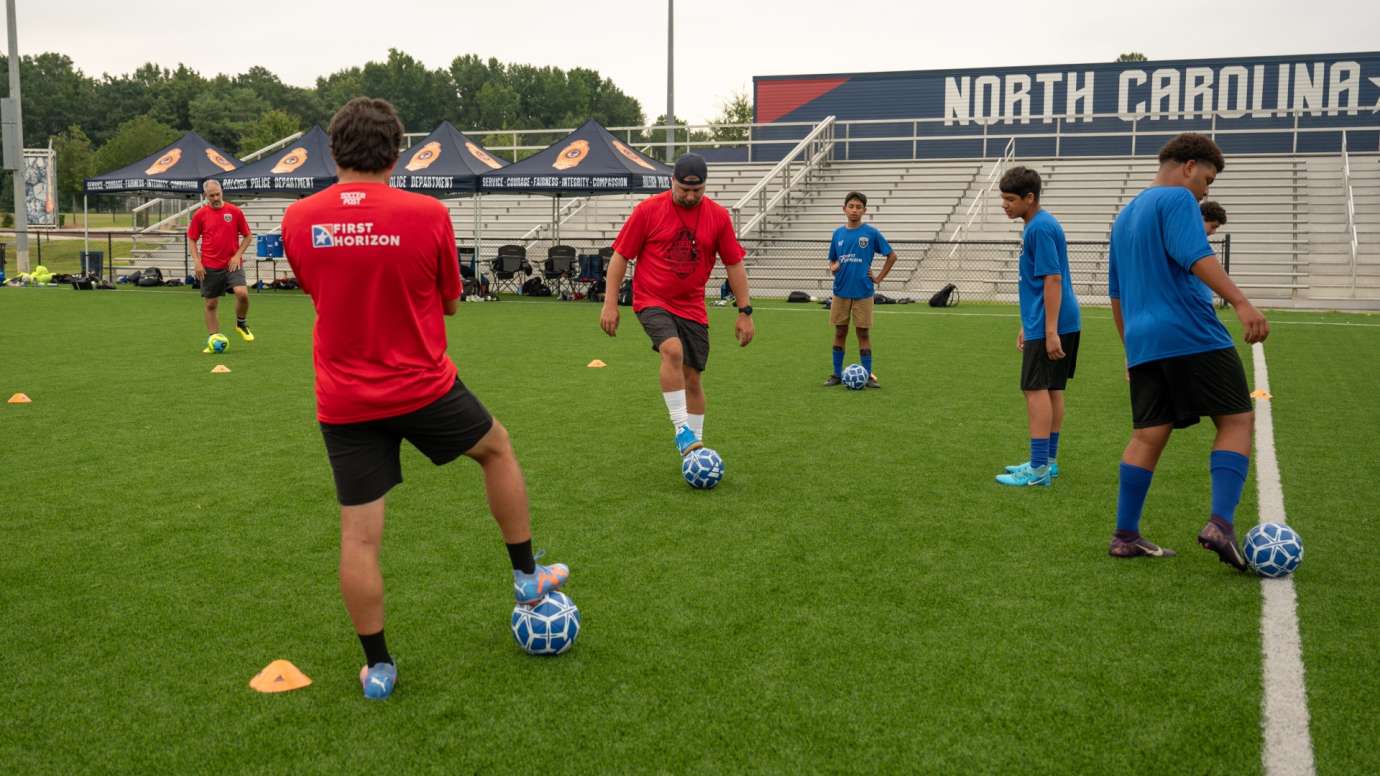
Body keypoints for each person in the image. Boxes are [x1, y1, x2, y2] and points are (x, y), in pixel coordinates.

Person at [280, 97, 568, 701]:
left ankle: (379, 669)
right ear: (397, 152)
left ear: (334, 150)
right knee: (497, 449)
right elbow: (451, 302)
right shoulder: (427, 213)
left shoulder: (298, 218)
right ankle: (525, 576)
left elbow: (314, 290)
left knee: (359, 537)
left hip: (345, 399)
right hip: (423, 386)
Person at [1106, 133, 1269, 566]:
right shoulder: (1178, 199)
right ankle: (1220, 522)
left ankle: (1125, 535)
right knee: (1237, 419)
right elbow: (1197, 256)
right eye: (1208, 179)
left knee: (1147, 434)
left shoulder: (1124, 217)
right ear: (1189, 166)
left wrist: (1130, 350)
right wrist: (1241, 301)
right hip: (1191, 332)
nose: (1205, 190)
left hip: (1143, 341)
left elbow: (1116, 295)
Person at [600, 154, 754, 457]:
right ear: (672, 181)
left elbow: (734, 264)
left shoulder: (719, 217)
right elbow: (620, 256)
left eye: (697, 190)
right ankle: (681, 429)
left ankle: (694, 449)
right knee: (672, 350)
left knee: (693, 378)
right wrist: (610, 303)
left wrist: (745, 312)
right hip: (651, 299)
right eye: (684, 189)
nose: (690, 196)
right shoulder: (648, 211)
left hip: (692, 306)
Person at [994, 167, 1081, 487]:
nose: (1004, 205)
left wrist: (1048, 331)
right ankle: (1048, 462)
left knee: (1035, 390)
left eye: (1010, 199)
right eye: (1002, 198)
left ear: (1030, 198)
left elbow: (1053, 279)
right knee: (1053, 389)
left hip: (1052, 322)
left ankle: (1039, 467)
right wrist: (1027, 323)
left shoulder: (1039, 228)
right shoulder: (1039, 224)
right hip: (1054, 320)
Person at [824, 192, 897, 388]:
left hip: (864, 292)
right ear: (844, 209)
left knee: (863, 334)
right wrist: (833, 267)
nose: (855, 210)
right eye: (851, 206)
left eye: (859, 207)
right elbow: (832, 259)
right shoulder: (837, 234)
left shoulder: (871, 233)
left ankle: (868, 376)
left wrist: (878, 278)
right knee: (840, 332)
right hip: (840, 291)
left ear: (864, 210)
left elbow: (891, 256)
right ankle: (836, 374)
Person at [188, 180, 254, 348]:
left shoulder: (234, 211)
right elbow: (192, 238)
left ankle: (241, 323)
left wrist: (237, 256)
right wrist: (197, 262)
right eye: (212, 196)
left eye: (218, 194)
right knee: (211, 304)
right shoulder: (200, 215)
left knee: (242, 294)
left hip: (232, 264)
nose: (216, 198)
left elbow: (248, 236)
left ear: (222, 192)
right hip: (209, 264)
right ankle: (214, 339)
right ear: (205, 196)